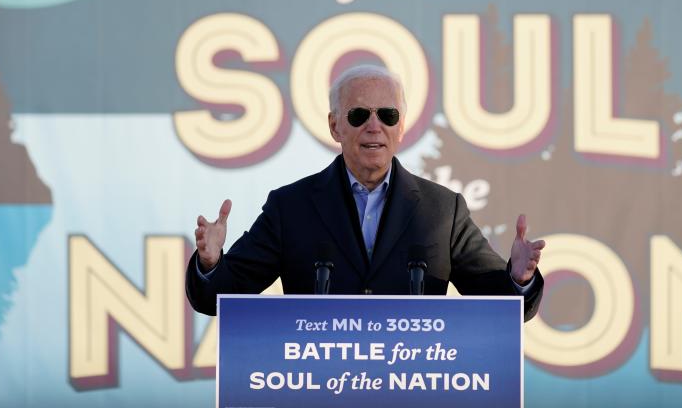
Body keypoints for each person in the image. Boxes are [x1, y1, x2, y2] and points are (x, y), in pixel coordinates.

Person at [186, 65, 546, 319]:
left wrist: (518, 278)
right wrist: (210, 263)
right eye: (359, 115)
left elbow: (498, 303)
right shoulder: (290, 207)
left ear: (401, 127)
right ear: (335, 126)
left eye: (387, 115)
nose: (374, 126)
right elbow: (222, 297)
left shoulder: (442, 210)